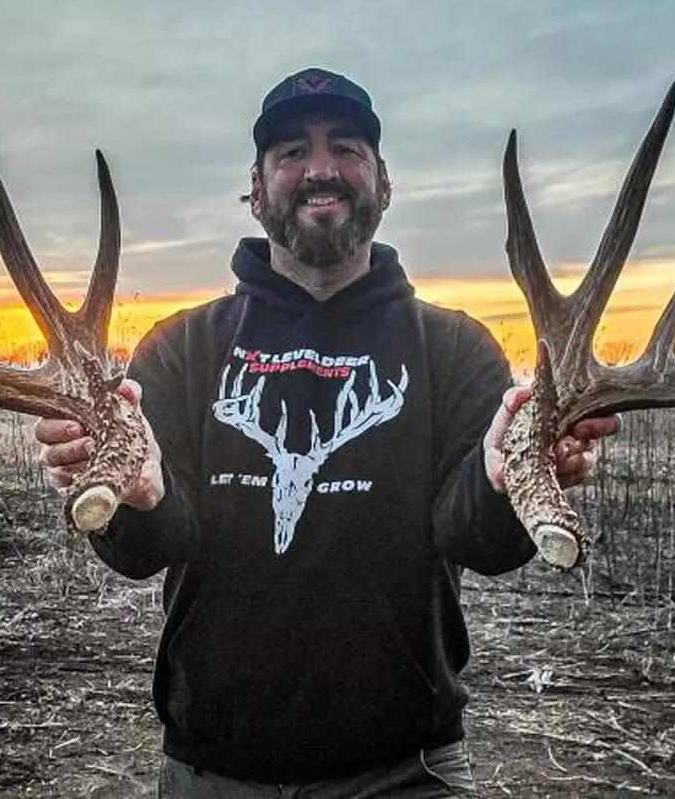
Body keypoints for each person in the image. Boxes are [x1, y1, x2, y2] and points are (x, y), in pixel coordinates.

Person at [36, 67, 619, 797]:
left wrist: (505, 480)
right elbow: (150, 551)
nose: (320, 169)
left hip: (406, 772)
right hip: (215, 771)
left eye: (346, 148)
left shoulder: (453, 348)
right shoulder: (182, 347)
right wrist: (132, 498)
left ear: (383, 183)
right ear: (255, 190)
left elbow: (480, 543)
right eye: (290, 153)